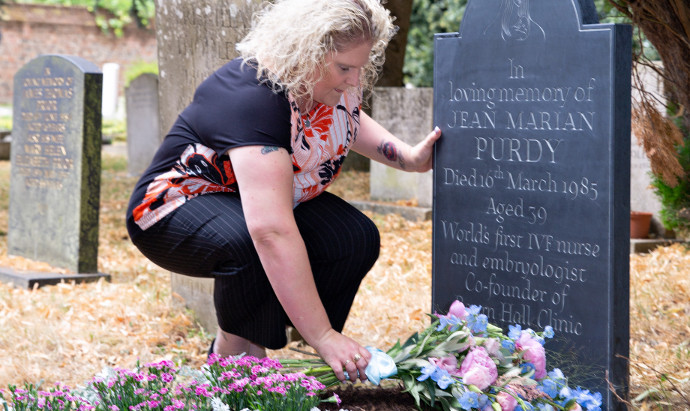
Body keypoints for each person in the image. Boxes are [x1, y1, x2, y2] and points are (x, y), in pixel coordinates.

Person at [125, 0, 441, 384]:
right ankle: (235, 360)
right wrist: (324, 336)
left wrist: (408, 158)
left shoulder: (319, 83)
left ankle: (299, 358)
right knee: (249, 244)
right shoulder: (252, 97)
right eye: (345, 68)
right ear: (306, 51)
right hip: (173, 206)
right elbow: (270, 230)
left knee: (353, 237)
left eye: (360, 67)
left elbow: (349, 120)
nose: (355, 80)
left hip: (246, 199)